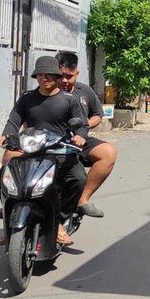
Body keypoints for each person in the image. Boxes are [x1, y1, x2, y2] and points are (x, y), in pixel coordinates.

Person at [0, 56, 88, 246]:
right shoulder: (27, 98)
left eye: (49, 74)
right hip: (31, 152)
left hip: (61, 152)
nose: (44, 78)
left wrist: (80, 136)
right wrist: (5, 136)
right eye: (40, 74)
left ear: (57, 76)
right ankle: (9, 217)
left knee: (78, 179)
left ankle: (60, 221)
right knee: (1, 176)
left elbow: (82, 125)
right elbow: (13, 122)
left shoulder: (70, 100)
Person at [56, 50, 118, 217]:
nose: (64, 80)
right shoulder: (46, 90)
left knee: (109, 152)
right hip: (50, 140)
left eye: (69, 76)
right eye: (61, 76)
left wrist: (83, 127)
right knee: (11, 156)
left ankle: (82, 199)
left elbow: (98, 115)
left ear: (77, 73)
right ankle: (12, 202)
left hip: (79, 140)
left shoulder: (85, 91)